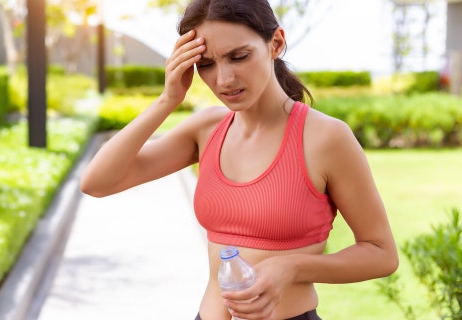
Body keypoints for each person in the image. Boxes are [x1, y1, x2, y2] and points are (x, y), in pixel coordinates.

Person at [80, 0, 399, 319]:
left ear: (275, 43)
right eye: (205, 64)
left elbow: (381, 254)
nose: (224, 80)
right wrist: (168, 100)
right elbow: (97, 182)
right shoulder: (206, 129)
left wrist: (292, 266)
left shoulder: (326, 138)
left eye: (239, 56)